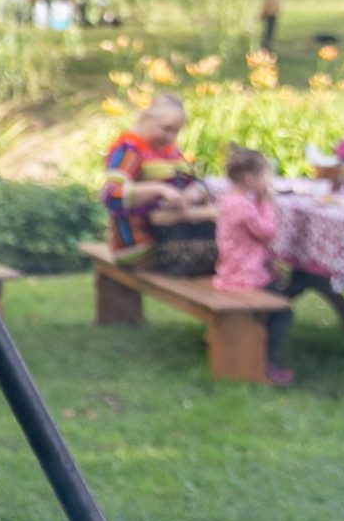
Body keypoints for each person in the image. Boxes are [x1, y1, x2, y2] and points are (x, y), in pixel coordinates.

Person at [101, 93, 214, 270]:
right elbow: (112, 196)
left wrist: (195, 193)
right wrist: (159, 189)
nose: (170, 137)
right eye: (166, 129)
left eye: (176, 132)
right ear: (146, 119)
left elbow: (188, 182)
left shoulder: (169, 150)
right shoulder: (129, 150)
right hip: (140, 247)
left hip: (174, 241)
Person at [213, 146, 294, 387]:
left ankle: (253, 354)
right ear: (249, 179)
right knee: (281, 313)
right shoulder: (244, 206)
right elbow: (266, 232)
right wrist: (266, 202)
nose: (267, 182)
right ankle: (265, 363)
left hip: (231, 272)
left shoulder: (228, 199)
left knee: (279, 289)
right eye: (264, 177)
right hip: (246, 277)